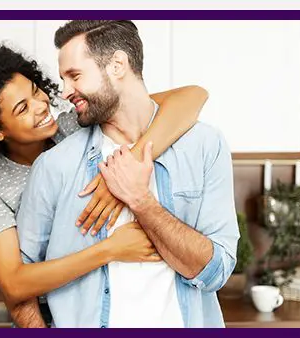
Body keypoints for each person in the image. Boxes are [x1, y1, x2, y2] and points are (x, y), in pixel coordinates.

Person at [0, 43, 209, 327]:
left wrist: (128, 168)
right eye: (22, 108)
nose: (41, 106)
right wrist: (110, 249)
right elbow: (15, 284)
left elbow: (192, 97)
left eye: (36, 91)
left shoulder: (76, 126)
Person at [15, 20, 239, 328]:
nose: (64, 91)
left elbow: (216, 271)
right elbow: (21, 287)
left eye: (75, 76)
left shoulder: (205, 146)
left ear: (118, 64)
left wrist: (140, 200)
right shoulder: (55, 166)